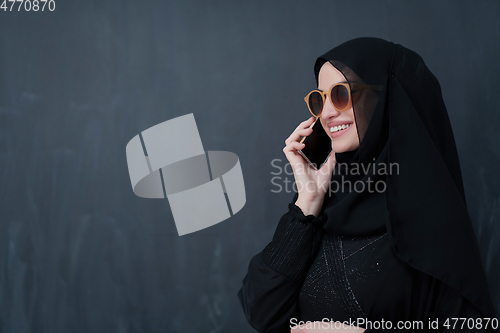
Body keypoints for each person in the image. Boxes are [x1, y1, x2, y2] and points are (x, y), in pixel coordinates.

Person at [237, 37, 498, 332]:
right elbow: (261, 312)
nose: (326, 113)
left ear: (386, 98)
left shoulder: (432, 221)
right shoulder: (321, 209)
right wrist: (306, 205)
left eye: (341, 94)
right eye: (319, 99)